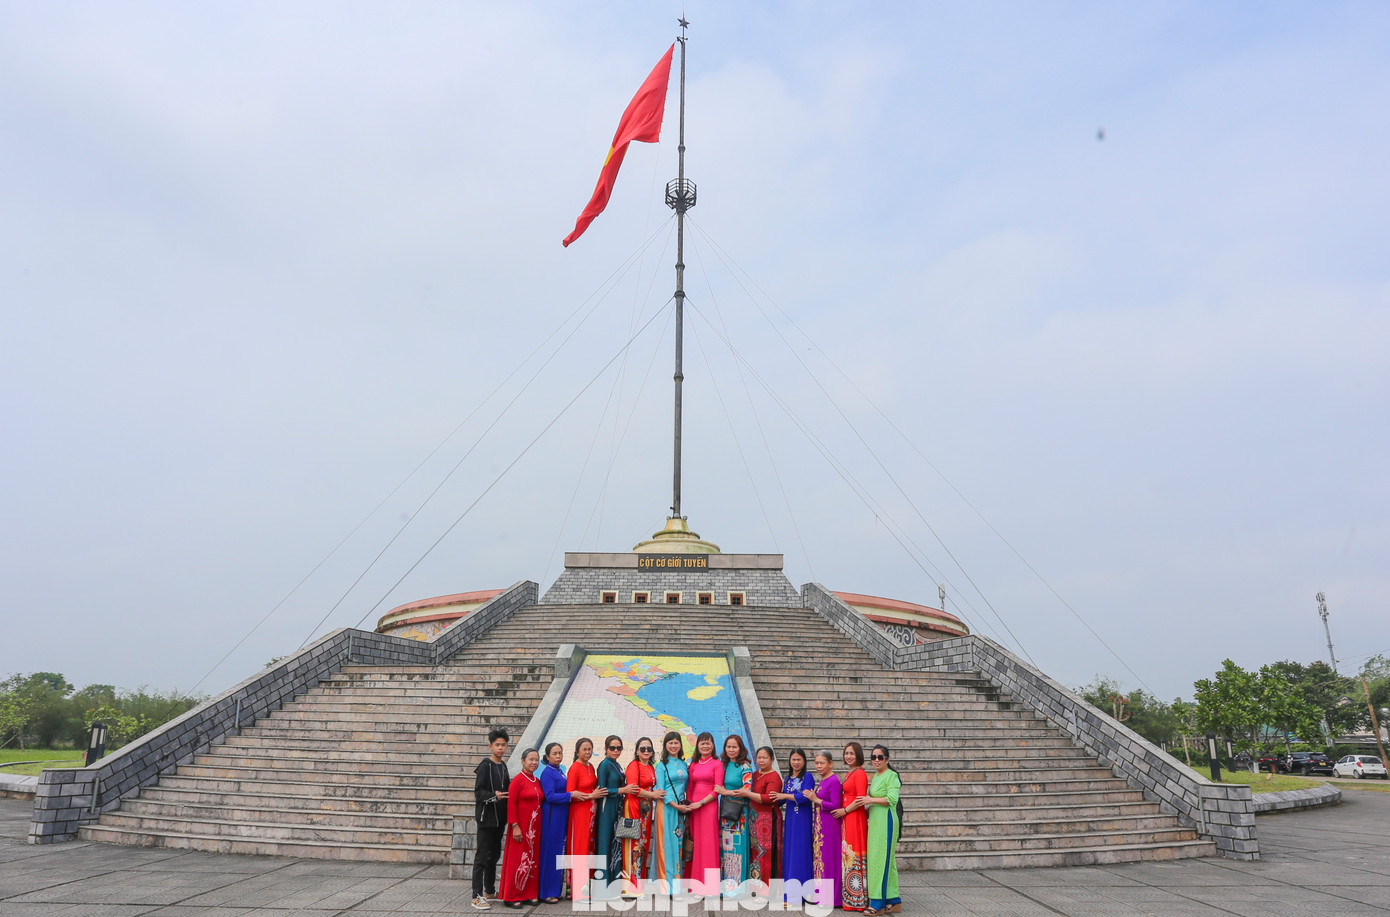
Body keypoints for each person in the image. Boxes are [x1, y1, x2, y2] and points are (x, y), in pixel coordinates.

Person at [620, 737, 665, 895]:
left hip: (646, 811)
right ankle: (629, 886)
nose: (646, 751)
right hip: (633, 808)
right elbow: (632, 788)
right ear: (637, 751)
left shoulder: (651, 767)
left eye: (649, 749)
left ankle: (639, 885)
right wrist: (653, 794)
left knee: (643, 846)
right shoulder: (634, 765)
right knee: (632, 846)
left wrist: (652, 795)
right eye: (642, 748)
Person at [472, 727, 510, 910]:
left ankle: (489, 891)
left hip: (499, 819)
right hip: (486, 819)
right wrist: (493, 795)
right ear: (490, 746)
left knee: (494, 856)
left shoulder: (503, 766)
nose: (501, 748)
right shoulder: (485, 765)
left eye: (503, 745)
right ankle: (476, 896)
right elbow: (478, 792)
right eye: (497, 745)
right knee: (481, 857)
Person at [565, 737, 607, 902]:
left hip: (591, 814)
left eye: (590, 749)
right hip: (579, 814)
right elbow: (571, 794)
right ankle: (577, 890)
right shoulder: (575, 768)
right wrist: (591, 795)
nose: (588, 752)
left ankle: (585, 888)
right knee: (580, 850)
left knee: (589, 850)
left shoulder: (590, 766)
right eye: (584, 749)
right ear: (577, 751)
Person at [499, 748, 543, 908]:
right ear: (523, 761)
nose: (534, 762)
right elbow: (511, 804)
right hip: (520, 827)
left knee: (531, 860)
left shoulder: (536, 781)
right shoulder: (517, 780)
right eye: (531, 759)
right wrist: (515, 825)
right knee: (517, 861)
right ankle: (511, 896)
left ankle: (529, 894)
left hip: (534, 829)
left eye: (536, 760)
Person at [862, 745, 901, 915]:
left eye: (880, 757)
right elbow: (875, 801)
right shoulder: (876, 776)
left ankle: (878, 902)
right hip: (876, 822)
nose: (876, 760)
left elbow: (892, 799)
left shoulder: (892, 776)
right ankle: (894, 900)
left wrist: (870, 799)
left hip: (887, 822)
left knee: (881, 860)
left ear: (887, 759)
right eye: (874, 757)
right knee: (884, 860)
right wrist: (866, 810)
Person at [594, 735, 634, 897]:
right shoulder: (604, 765)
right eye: (612, 748)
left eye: (618, 748)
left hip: (617, 809)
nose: (616, 750)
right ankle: (602, 888)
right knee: (604, 846)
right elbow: (602, 790)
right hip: (606, 809)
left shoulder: (616, 765)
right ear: (606, 749)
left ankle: (614, 886)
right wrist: (621, 791)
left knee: (615, 846)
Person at [651, 731, 692, 891]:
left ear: (680, 745)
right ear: (665, 746)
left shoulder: (683, 764)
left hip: (680, 810)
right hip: (666, 809)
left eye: (676, 742)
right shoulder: (661, 766)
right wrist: (676, 806)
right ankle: (666, 886)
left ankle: (676, 882)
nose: (673, 746)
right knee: (666, 846)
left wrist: (685, 806)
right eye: (670, 743)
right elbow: (660, 789)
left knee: (678, 845)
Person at [714, 734, 754, 895]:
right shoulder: (723, 765)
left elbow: (747, 788)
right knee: (727, 850)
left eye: (734, 747)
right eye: (728, 747)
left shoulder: (745, 766)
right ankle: (727, 887)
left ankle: (736, 889)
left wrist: (726, 792)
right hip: (725, 814)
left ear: (740, 748)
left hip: (739, 815)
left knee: (738, 850)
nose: (731, 749)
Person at [802, 750, 842, 908]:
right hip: (820, 826)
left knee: (829, 860)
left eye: (822, 763)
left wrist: (815, 799)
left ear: (830, 763)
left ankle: (832, 898)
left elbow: (836, 805)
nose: (818, 766)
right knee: (820, 860)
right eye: (816, 763)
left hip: (830, 826)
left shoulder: (833, 781)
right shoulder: (824, 780)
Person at [684, 731, 723, 894]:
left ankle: (710, 885)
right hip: (694, 809)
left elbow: (717, 790)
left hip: (708, 807)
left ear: (713, 746)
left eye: (708, 743)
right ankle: (695, 884)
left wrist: (700, 803)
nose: (705, 746)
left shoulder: (717, 764)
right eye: (702, 743)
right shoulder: (693, 764)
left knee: (709, 845)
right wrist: (690, 807)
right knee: (696, 844)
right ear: (697, 745)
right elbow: (690, 788)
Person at [836, 741, 870, 912]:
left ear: (858, 755)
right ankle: (850, 897)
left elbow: (861, 798)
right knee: (847, 853)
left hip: (855, 817)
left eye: (852, 753)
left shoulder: (860, 774)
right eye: (846, 753)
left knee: (854, 853)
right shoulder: (850, 773)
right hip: (848, 818)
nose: (848, 756)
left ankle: (857, 899)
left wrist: (845, 810)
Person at [538, 743, 573, 903]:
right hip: (553, 816)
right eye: (554, 754)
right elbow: (550, 796)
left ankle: (556, 889)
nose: (558, 756)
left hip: (562, 815)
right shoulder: (547, 773)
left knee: (559, 852)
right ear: (547, 757)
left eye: (560, 753)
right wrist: (570, 796)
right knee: (552, 853)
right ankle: (547, 892)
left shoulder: (560, 771)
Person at [775, 748, 815, 887]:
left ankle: (803, 890)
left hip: (802, 820)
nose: (796, 762)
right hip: (791, 820)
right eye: (794, 759)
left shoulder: (808, 777)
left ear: (804, 761)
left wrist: (784, 796)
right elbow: (780, 800)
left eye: (799, 759)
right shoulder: (787, 778)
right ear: (790, 761)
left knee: (800, 852)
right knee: (790, 853)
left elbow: (804, 797)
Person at [747, 745, 782, 886]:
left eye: (764, 757)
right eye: (759, 757)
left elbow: (769, 798)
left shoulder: (774, 776)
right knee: (755, 853)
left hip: (768, 819)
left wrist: (747, 794)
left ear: (772, 759)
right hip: (754, 819)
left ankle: (767, 889)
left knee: (767, 855)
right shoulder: (755, 775)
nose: (761, 760)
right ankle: (755, 886)